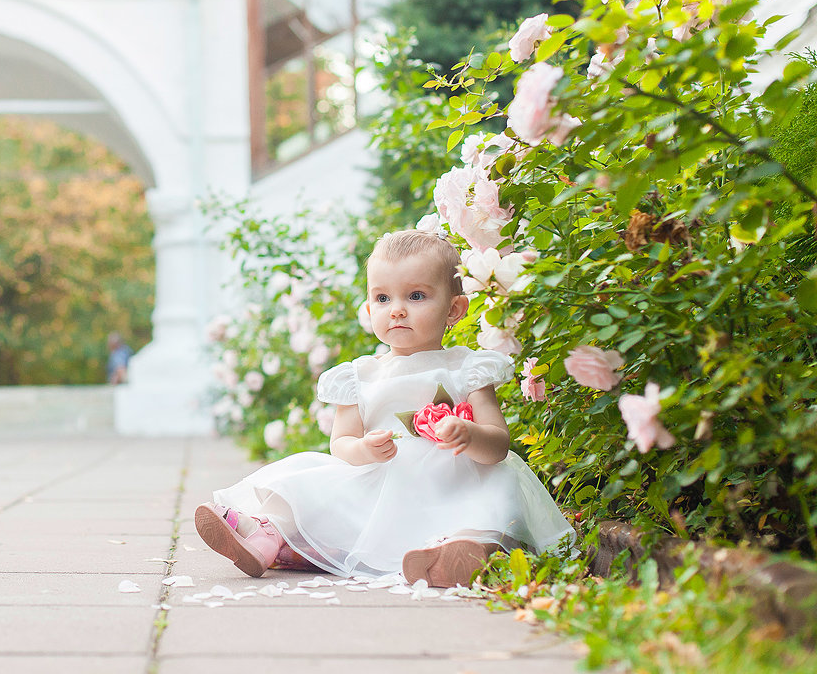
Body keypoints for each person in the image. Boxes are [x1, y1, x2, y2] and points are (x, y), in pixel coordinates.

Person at [195, 229, 574, 587]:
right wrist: (363, 449)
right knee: (306, 480)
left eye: (416, 296)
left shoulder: (468, 368)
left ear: (454, 309)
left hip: (456, 483)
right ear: (369, 307)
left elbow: (497, 446)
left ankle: (457, 552)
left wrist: (470, 435)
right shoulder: (360, 375)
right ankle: (264, 537)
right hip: (384, 480)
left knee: (497, 491)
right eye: (382, 298)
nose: (396, 310)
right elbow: (341, 443)